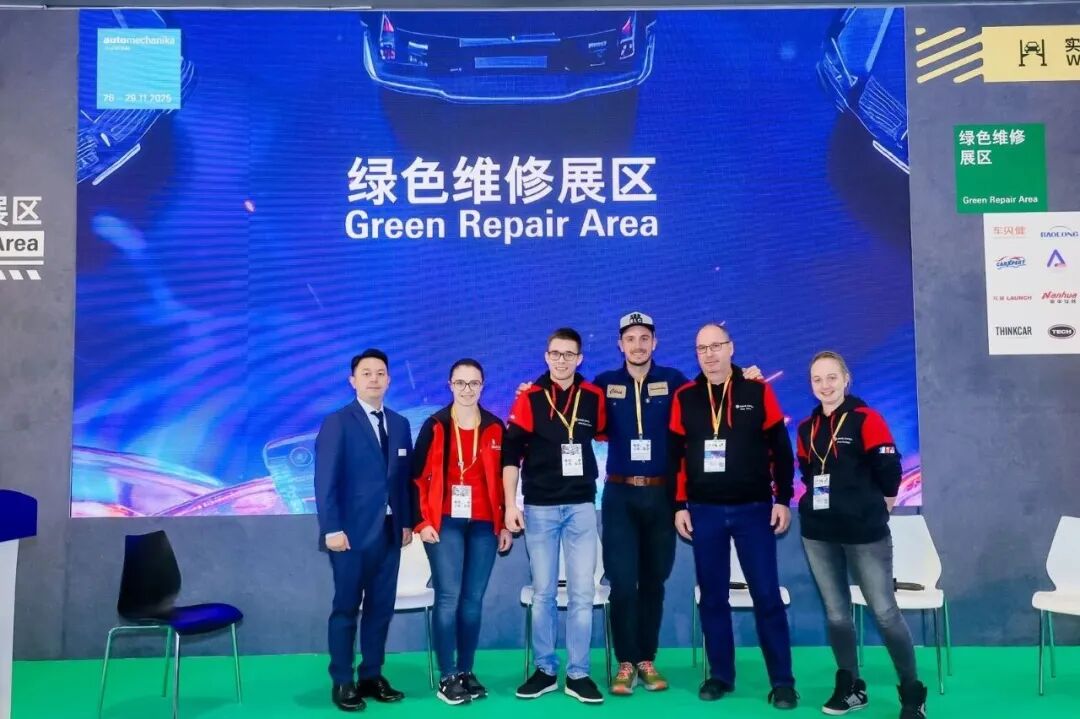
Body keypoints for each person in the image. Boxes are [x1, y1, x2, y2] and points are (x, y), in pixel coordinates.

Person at [669, 323, 798, 710]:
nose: (709, 354)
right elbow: (675, 457)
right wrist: (679, 505)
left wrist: (783, 498)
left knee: (766, 596)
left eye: (716, 346)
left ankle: (783, 682)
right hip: (704, 511)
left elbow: (780, 448)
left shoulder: (757, 391)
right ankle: (721, 675)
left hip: (754, 509)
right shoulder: (685, 397)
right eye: (701, 349)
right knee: (712, 598)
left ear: (731, 348)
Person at [795, 351, 927, 719]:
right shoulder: (806, 428)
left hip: (865, 533)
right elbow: (808, 471)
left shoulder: (866, 419)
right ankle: (851, 686)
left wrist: (879, 504)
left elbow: (889, 469)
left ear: (846, 379)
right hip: (818, 533)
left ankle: (912, 693)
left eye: (831, 377)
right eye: (817, 379)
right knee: (837, 615)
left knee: (884, 612)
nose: (825, 385)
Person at [503, 327, 607, 704]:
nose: (561, 360)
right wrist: (510, 504)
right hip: (540, 507)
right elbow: (510, 454)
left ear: (580, 359)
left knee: (582, 593)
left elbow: (612, 433)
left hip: (581, 506)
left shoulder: (593, 397)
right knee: (544, 592)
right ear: (546, 356)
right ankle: (545, 670)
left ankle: (578, 674)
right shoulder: (530, 397)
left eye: (569, 354)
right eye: (555, 354)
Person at [314, 349, 414, 712]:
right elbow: (325, 481)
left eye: (380, 373)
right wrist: (332, 528)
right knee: (345, 608)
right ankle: (342, 680)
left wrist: (407, 522)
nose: (374, 378)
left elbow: (404, 480)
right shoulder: (337, 422)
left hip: (390, 532)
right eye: (366, 373)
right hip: (350, 536)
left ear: (389, 380)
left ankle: (371, 675)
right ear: (352, 381)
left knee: (380, 608)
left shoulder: (400, 424)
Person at [411, 359, 513, 705]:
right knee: (449, 598)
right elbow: (414, 478)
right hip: (444, 523)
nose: (467, 389)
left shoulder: (496, 427)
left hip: (484, 524)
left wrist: (503, 524)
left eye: (474, 383)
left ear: (482, 386)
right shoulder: (435, 425)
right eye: (460, 383)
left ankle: (466, 671)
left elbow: (505, 479)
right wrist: (421, 522)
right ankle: (447, 675)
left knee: (472, 601)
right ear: (450, 385)